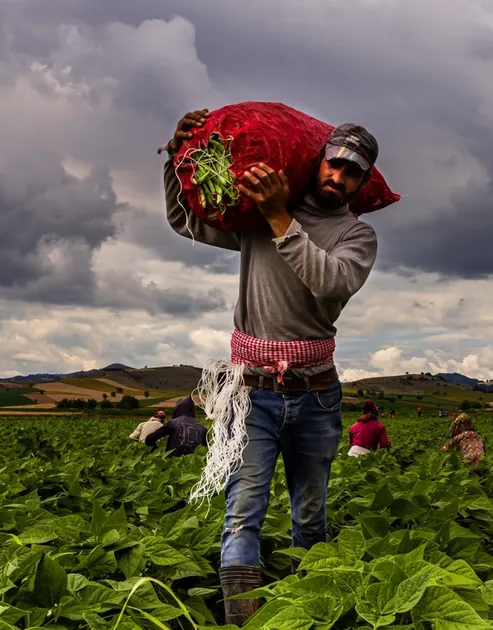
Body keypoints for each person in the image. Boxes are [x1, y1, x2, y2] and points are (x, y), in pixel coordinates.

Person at [162, 109, 382, 625]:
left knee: (310, 516)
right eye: (333, 165)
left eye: (351, 173)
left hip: (317, 396)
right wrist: (177, 158)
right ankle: (245, 621)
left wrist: (281, 217)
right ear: (318, 162)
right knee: (242, 518)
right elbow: (185, 220)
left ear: (363, 181)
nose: (337, 177)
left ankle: (309, 611)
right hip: (252, 393)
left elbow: (330, 282)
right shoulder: (259, 215)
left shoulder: (357, 236)